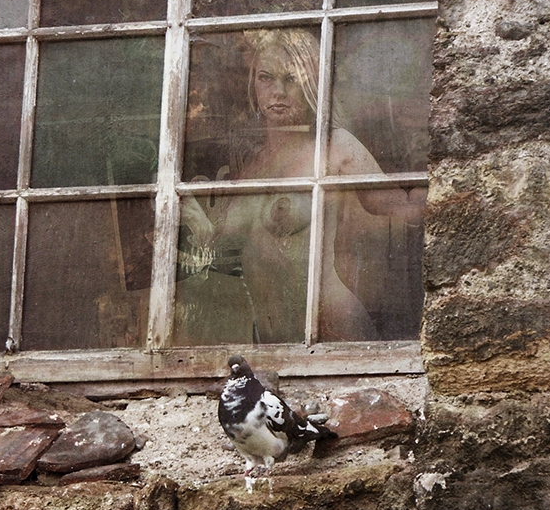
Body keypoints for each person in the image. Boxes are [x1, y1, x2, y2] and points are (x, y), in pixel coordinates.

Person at [179, 28, 424, 343]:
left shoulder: (335, 147)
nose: (278, 91)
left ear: (312, 84)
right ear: (253, 84)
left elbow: (404, 211)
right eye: (266, 78)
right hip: (272, 337)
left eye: (291, 79)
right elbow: (219, 246)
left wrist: (436, 169)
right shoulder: (250, 163)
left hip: (334, 326)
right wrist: (193, 216)